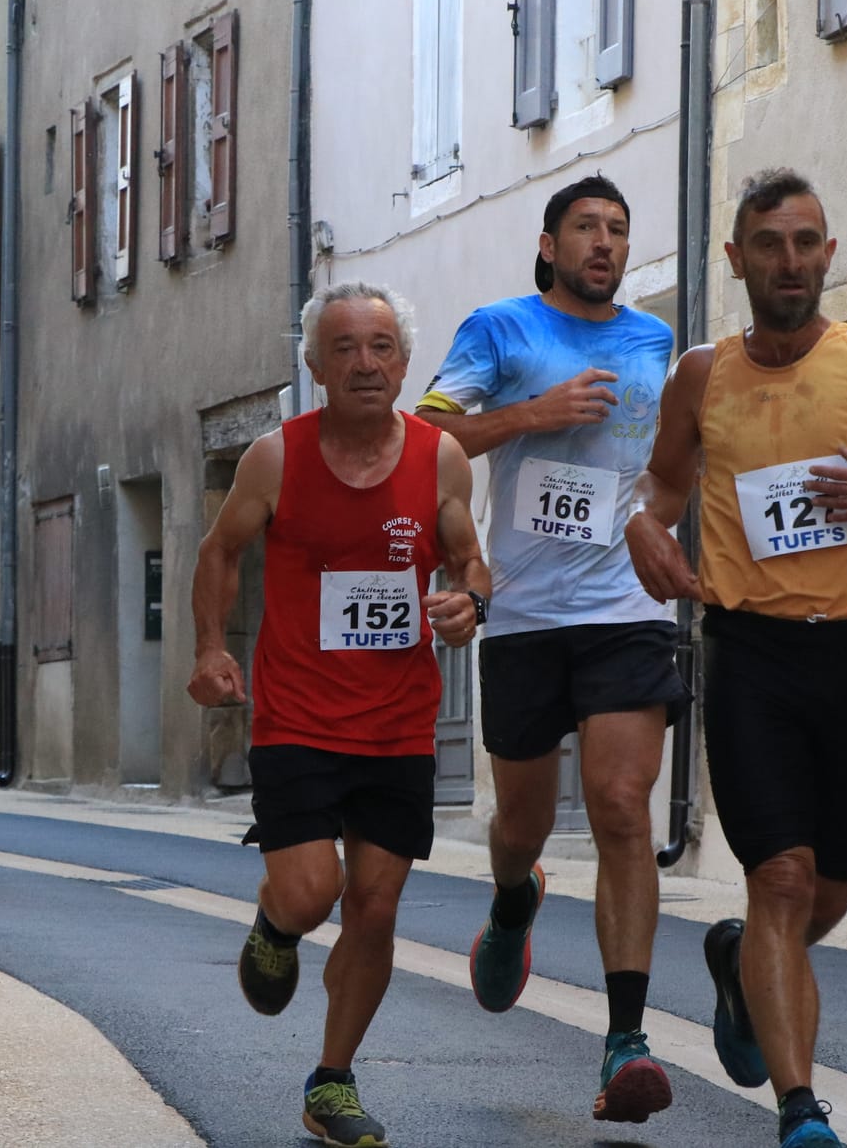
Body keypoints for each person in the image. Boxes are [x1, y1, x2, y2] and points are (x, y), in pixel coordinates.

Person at [625, 169, 847, 1148]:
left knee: (824, 893)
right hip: (747, 650)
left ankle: (746, 964)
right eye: (768, 244)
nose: (787, 261)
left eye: (804, 242)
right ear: (736, 257)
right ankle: (799, 1110)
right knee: (781, 878)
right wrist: (642, 530)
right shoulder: (701, 377)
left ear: (825, 254)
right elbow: (660, 489)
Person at [190, 281, 490, 1148]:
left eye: (383, 345)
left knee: (377, 905)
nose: (366, 362)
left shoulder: (439, 458)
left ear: (404, 362)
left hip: (399, 722)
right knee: (313, 890)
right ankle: (277, 920)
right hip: (296, 716)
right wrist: (210, 649)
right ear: (316, 365)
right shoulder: (275, 458)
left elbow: (472, 561)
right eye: (346, 347)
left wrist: (470, 603)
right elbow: (221, 552)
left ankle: (332, 1079)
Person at [416, 174, 688, 1124]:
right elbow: (428, 434)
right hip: (526, 615)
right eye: (586, 227)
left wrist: (665, 526)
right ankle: (513, 897)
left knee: (620, 807)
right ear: (548, 242)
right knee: (521, 827)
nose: (605, 242)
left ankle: (625, 1041)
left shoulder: (655, 342)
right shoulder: (498, 330)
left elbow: (675, 461)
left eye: (618, 227)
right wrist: (534, 414)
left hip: (627, 607)